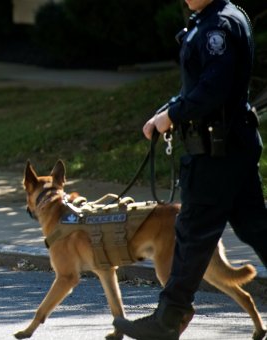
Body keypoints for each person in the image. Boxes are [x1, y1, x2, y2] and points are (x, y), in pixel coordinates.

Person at [113, 0, 267, 339]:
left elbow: (213, 88)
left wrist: (173, 115)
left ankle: (168, 319)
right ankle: (170, 316)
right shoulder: (211, 18)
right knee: (256, 227)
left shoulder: (218, 26)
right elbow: (197, 85)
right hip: (228, 147)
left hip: (217, 152)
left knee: (192, 232)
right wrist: (169, 110)